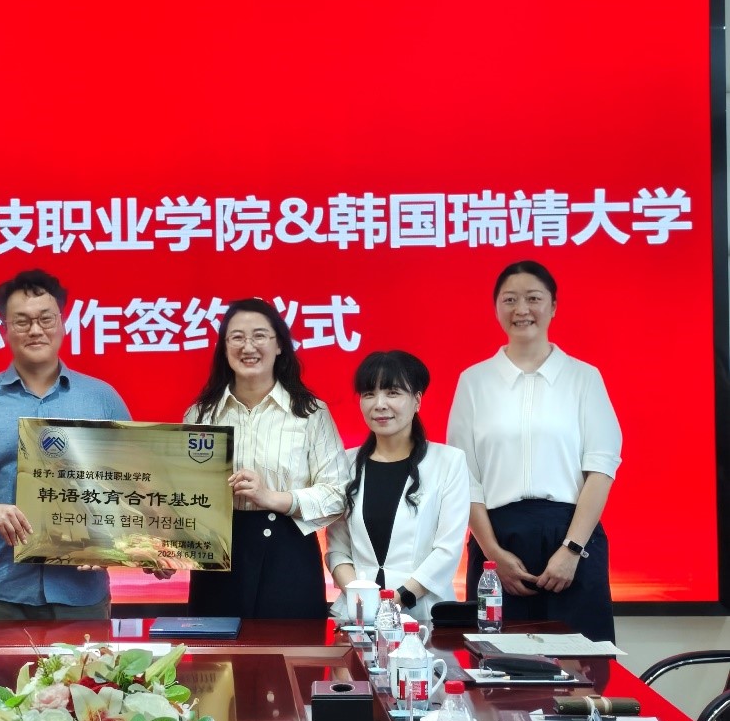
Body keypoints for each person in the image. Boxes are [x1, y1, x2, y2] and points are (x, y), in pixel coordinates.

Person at [0, 269, 130, 620]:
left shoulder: (102, 398)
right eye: (22, 321)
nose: (35, 330)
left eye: (45, 319)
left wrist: (120, 543)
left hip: (81, 590)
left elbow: (134, 483)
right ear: (4, 329)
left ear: (63, 323)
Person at [446, 260, 622, 641]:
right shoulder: (474, 382)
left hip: (571, 538)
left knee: (580, 664)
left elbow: (601, 469)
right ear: (496, 308)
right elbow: (464, 477)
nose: (521, 309)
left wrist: (571, 550)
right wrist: (492, 554)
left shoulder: (584, 378)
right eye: (509, 300)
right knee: (497, 660)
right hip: (497, 541)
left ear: (553, 306)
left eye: (533, 299)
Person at [184, 297, 349, 619]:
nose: (248, 346)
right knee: (215, 651)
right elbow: (182, 496)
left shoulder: (309, 412)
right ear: (224, 348)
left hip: (288, 555)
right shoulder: (201, 414)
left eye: (259, 335)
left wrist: (273, 498)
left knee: (289, 648)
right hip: (216, 557)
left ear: (279, 345)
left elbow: (338, 494)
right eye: (237, 337)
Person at [325, 351, 470, 624]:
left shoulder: (449, 461)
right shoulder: (344, 463)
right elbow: (337, 550)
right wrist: (361, 600)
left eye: (392, 393)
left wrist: (398, 599)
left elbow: (448, 550)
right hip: (356, 617)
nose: (379, 404)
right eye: (369, 394)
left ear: (417, 400)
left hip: (422, 615)